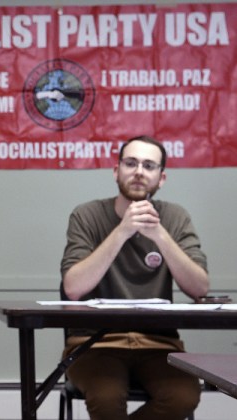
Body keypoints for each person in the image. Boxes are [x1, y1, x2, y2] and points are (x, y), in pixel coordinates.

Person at [60, 135, 209, 420]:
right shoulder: (86, 215)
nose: (139, 171)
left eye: (149, 166)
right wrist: (122, 231)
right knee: (106, 396)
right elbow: (74, 288)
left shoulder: (175, 217)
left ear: (161, 178)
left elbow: (199, 287)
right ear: (116, 171)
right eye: (131, 163)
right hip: (94, 344)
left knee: (183, 395)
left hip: (158, 343)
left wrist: (160, 236)